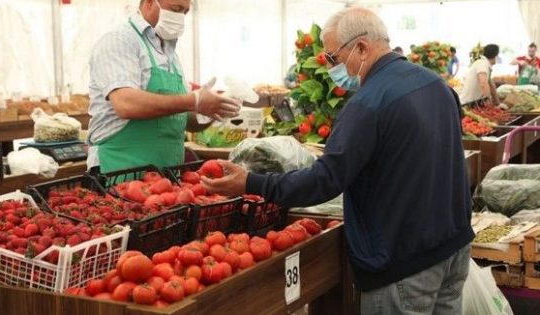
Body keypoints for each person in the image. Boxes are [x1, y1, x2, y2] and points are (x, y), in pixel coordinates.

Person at [202, 7, 473, 315]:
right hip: (453, 248)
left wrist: (250, 182)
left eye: (332, 58)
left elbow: (325, 180)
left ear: (361, 47)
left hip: (404, 263)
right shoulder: (436, 85)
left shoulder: (368, 104)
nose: (331, 68)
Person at [86, 0, 241, 173]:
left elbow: (183, 118)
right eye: (176, 9)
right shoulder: (119, 41)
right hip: (119, 169)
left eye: (185, 12)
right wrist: (194, 100)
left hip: (165, 179)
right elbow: (125, 104)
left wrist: (212, 109)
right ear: (150, 2)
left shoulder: (170, 55)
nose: (180, 17)